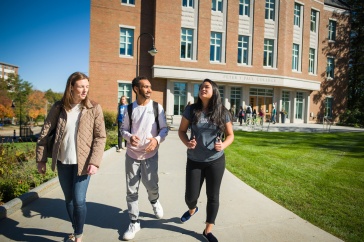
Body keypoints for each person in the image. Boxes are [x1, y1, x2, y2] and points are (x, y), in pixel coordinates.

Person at [36, 72, 106, 242]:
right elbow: (45, 133)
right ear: (71, 87)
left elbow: (100, 137)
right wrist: (41, 160)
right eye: (81, 86)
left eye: (87, 86)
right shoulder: (58, 107)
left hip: (83, 163)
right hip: (63, 161)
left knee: (79, 200)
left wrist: (94, 162)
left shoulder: (93, 108)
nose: (85, 90)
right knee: (68, 199)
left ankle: (79, 235)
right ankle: (75, 229)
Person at [178, 79, 234, 242]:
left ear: (214, 91)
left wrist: (222, 145)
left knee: (213, 196)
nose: (203, 89)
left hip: (215, 160)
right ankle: (192, 209)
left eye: (206, 87)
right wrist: (188, 142)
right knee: (190, 196)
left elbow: (231, 135)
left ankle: (208, 230)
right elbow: (182, 131)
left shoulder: (222, 111)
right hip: (194, 160)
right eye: (201, 87)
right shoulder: (191, 109)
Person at [121, 76, 169, 240]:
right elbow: (123, 129)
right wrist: (129, 137)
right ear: (136, 89)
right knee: (131, 189)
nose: (149, 90)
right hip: (132, 155)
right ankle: (134, 222)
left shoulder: (156, 107)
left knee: (151, 185)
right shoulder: (129, 109)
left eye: (150, 87)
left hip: (150, 155)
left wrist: (156, 140)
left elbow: (164, 129)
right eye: (146, 87)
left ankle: (154, 201)